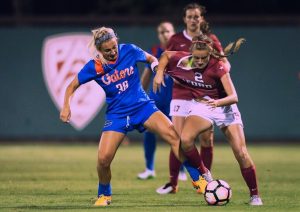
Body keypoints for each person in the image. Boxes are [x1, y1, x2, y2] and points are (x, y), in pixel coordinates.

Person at [60, 27, 210, 206]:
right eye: (107, 50)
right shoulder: (94, 66)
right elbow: (71, 86)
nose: (113, 51)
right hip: (118, 114)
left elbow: (151, 58)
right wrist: (66, 106)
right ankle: (104, 195)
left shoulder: (129, 50)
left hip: (142, 106)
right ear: (99, 50)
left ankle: (197, 179)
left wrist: (157, 69)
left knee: (174, 136)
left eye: (114, 46)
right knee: (103, 159)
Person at [153, 33, 263, 206]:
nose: (199, 61)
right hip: (203, 105)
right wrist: (159, 73)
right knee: (185, 139)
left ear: (210, 53)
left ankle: (255, 195)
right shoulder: (185, 61)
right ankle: (205, 173)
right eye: (196, 57)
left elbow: (234, 96)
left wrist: (217, 102)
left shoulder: (218, 66)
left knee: (241, 152)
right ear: (191, 53)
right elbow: (166, 55)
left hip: (224, 106)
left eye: (203, 58)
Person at [156, 2, 228, 194]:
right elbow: (166, 59)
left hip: (204, 95)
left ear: (201, 18)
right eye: (189, 17)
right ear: (184, 19)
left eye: (196, 16)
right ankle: (173, 183)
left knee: (207, 139)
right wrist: (161, 72)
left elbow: (223, 64)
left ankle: (206, 182)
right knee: (177, 139)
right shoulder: (176, 39)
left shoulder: (211, 39)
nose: (193, 20)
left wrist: (221, 66)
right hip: (181, 95)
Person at [137, 21, 187, 181]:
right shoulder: (154, 51)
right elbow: (146, 75)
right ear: (158, 35)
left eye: (168, 31)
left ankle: (182, 170)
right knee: (149, 134)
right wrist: (140, 96)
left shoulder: (180, 52)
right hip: (155, 101)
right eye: (162, 32)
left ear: (173, 32)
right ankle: (149, 168)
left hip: (175, 102)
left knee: (178, 136)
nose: (165, 34)